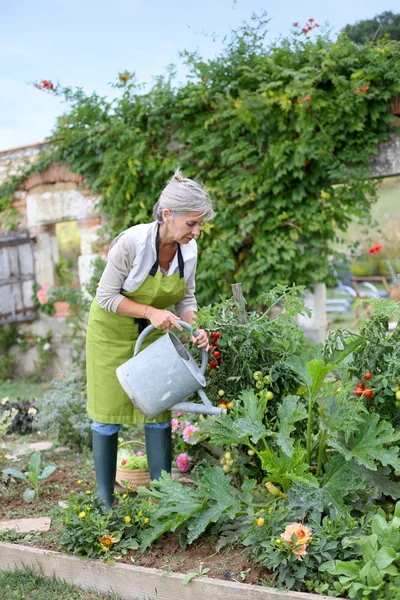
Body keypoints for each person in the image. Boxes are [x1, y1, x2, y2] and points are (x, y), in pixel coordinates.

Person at [86, 168, 214, 508]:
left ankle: (163, 501)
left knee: (157, 408)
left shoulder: (190, 251)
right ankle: (104, 505)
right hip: (110, 334)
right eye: (192, 223)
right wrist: (150, 312)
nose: (196, 231)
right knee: (107, 413)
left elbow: (187, 299)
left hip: (154, 334)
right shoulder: (131, 244)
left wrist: (194, 326)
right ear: (168, 215)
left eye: (200, 224)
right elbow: (106, 297)